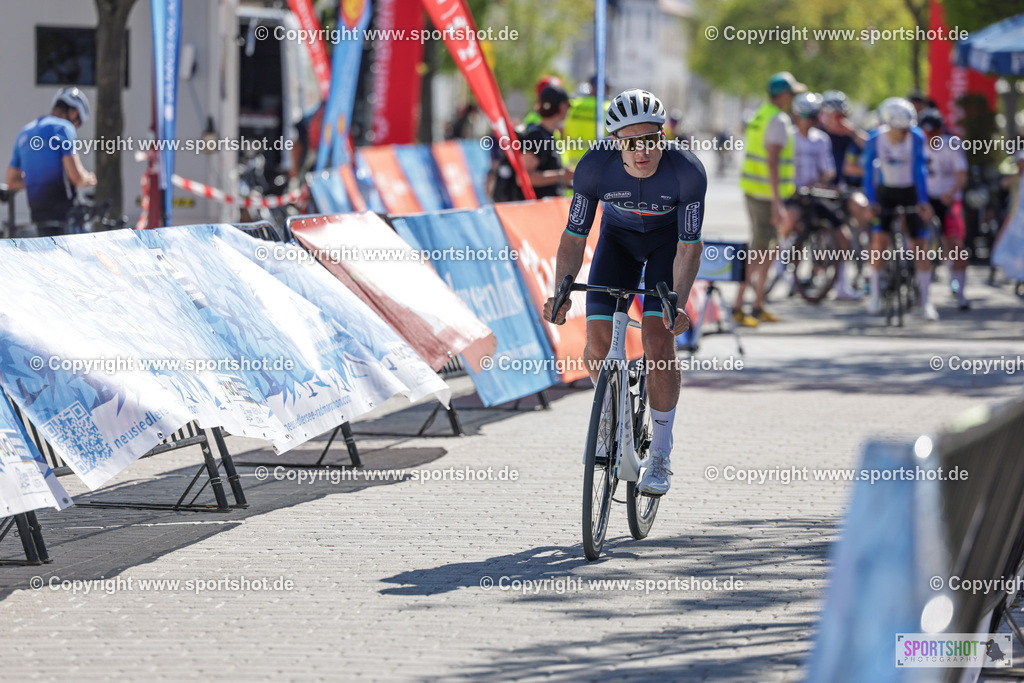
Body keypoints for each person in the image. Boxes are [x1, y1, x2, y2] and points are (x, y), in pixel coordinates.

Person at [543, 89, 706, 496]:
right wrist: (561, 291)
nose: (643, 151)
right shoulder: (594, 167)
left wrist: (677, 304)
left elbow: (689, 246)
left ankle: (662, 454)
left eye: (651, 139)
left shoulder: (686, 171)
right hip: (618, 244)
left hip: (667, 247)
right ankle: (612, 418)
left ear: (662, 136)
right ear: (615, 143)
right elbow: (574, 237)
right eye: (632, 143)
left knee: (656, 339)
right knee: (597, 346)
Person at [734, 72, 804, 326]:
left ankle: (757, 303)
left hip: (756, 190)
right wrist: (777, 202)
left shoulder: (760, 114)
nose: (793, 98)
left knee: (767, 250)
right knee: (759, 251)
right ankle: (738, 305)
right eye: (792, 93)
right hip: (766, 195)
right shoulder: (777, 121)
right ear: (783, 95)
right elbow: (773, 160)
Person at [863, 97, 937, 319]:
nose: (904, 134)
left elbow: (919, 169)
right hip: (886, 192)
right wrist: (871, 200)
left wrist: (923, 200)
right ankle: (875, 295)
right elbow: (868, 171)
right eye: (899, 130)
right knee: (880, 241)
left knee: (919, 245)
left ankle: (926, 301)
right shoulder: (875, 138)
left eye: (907, 129)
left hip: (910, 191)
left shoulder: (915, 136)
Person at [6, 87, 96, 236]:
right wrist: (90, 179)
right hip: (65, 220)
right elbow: (77, 177)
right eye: (77, 122)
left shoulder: (25, 132)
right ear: (74, 112)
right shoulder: (64, 128)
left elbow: (11, 181)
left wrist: (35, 181)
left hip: (38, 219)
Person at [920, 108, 970, 310]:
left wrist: (951, 192)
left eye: (934, 132)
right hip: (926, 199)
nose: (931, 137)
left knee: (956, 244)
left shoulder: (952, 144)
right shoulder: (917, 144)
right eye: (927, 133)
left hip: (948, 199)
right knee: (917, 240)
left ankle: (960, 291)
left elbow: (961, 176)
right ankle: (917, 287)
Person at [490, 85, 573, 202]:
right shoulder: (538, 137)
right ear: (562, 107)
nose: (568, 110)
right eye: (568, 106)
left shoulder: (546, 134)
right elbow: (524, 177)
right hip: (535, 212)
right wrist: (561, 176)